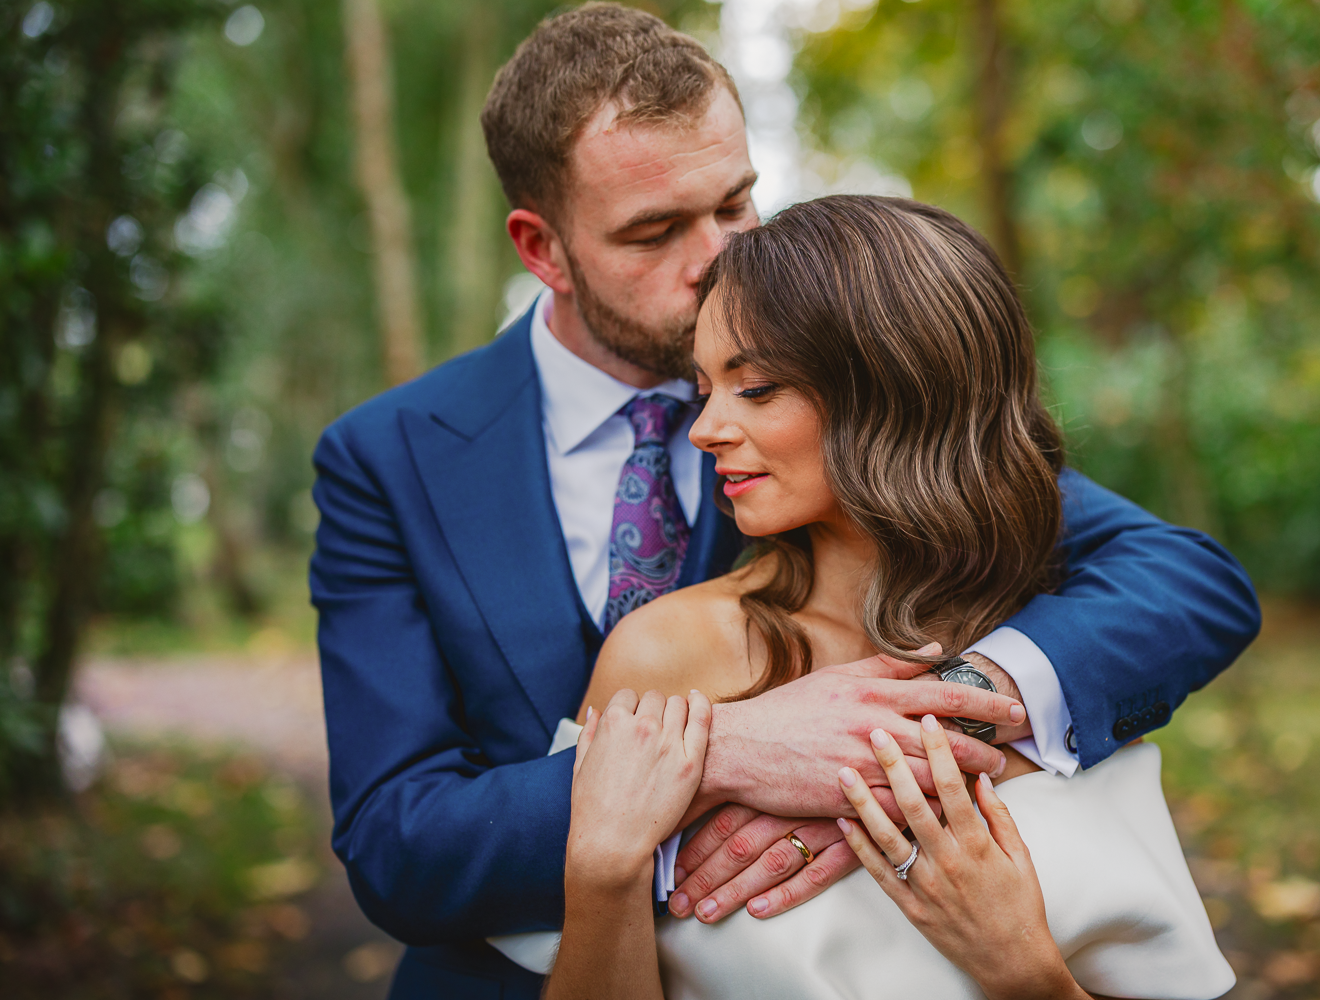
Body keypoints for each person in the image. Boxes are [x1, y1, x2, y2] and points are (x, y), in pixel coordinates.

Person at [308, 5, 1259, 997]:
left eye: (735, 203)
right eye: (655, 231)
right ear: (541, 248)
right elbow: (396, 841)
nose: (717, 257)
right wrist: (716, 758)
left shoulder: (848, 383)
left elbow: (1184, 582)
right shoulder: (389, 457)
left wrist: (924, 728)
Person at [540, 195, 1235, 1000]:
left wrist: (1022, 967)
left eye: (756, 387)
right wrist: (602, 867)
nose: (704, 428)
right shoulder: (668, 655)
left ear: (897, 391)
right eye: (705, 389)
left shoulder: (1056, 665)